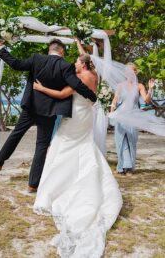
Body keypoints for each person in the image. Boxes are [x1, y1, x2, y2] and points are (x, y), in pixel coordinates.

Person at [33, 46, 122, 257]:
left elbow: (63, 93)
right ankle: (79, 177)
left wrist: (41, 89)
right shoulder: (94, 75)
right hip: (86, 117)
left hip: (75, 118)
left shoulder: (77, 77)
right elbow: (85, 62)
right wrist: (80, 44)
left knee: (62, 147)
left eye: (76, 62)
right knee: (83, 147)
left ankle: (56, 189)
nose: (74, 64)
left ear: (82, 64)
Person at [0, 38, 97, 192]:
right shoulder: (66, 66)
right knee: (41, 147)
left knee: (17, 133)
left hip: (31, 106)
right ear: (62, 51)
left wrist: (1, 49)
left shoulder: (36, 59)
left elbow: (16, 64)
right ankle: (33, 185)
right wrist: (93, 97)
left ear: (49, 50)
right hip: (49, 111)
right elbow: (76, 85)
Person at [110, 63, 155, 176]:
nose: (129, 73)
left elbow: (146, 100)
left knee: (131, 142)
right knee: (120, 142)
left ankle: (130, 168)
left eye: (132, 71)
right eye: (127, 71)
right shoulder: (120, 85)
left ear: (135, 72)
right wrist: (112, 109)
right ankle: (121, 167)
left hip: (133, 117)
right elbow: (115, 99)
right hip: (121, 116)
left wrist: (150, 89)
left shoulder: (140, 86)